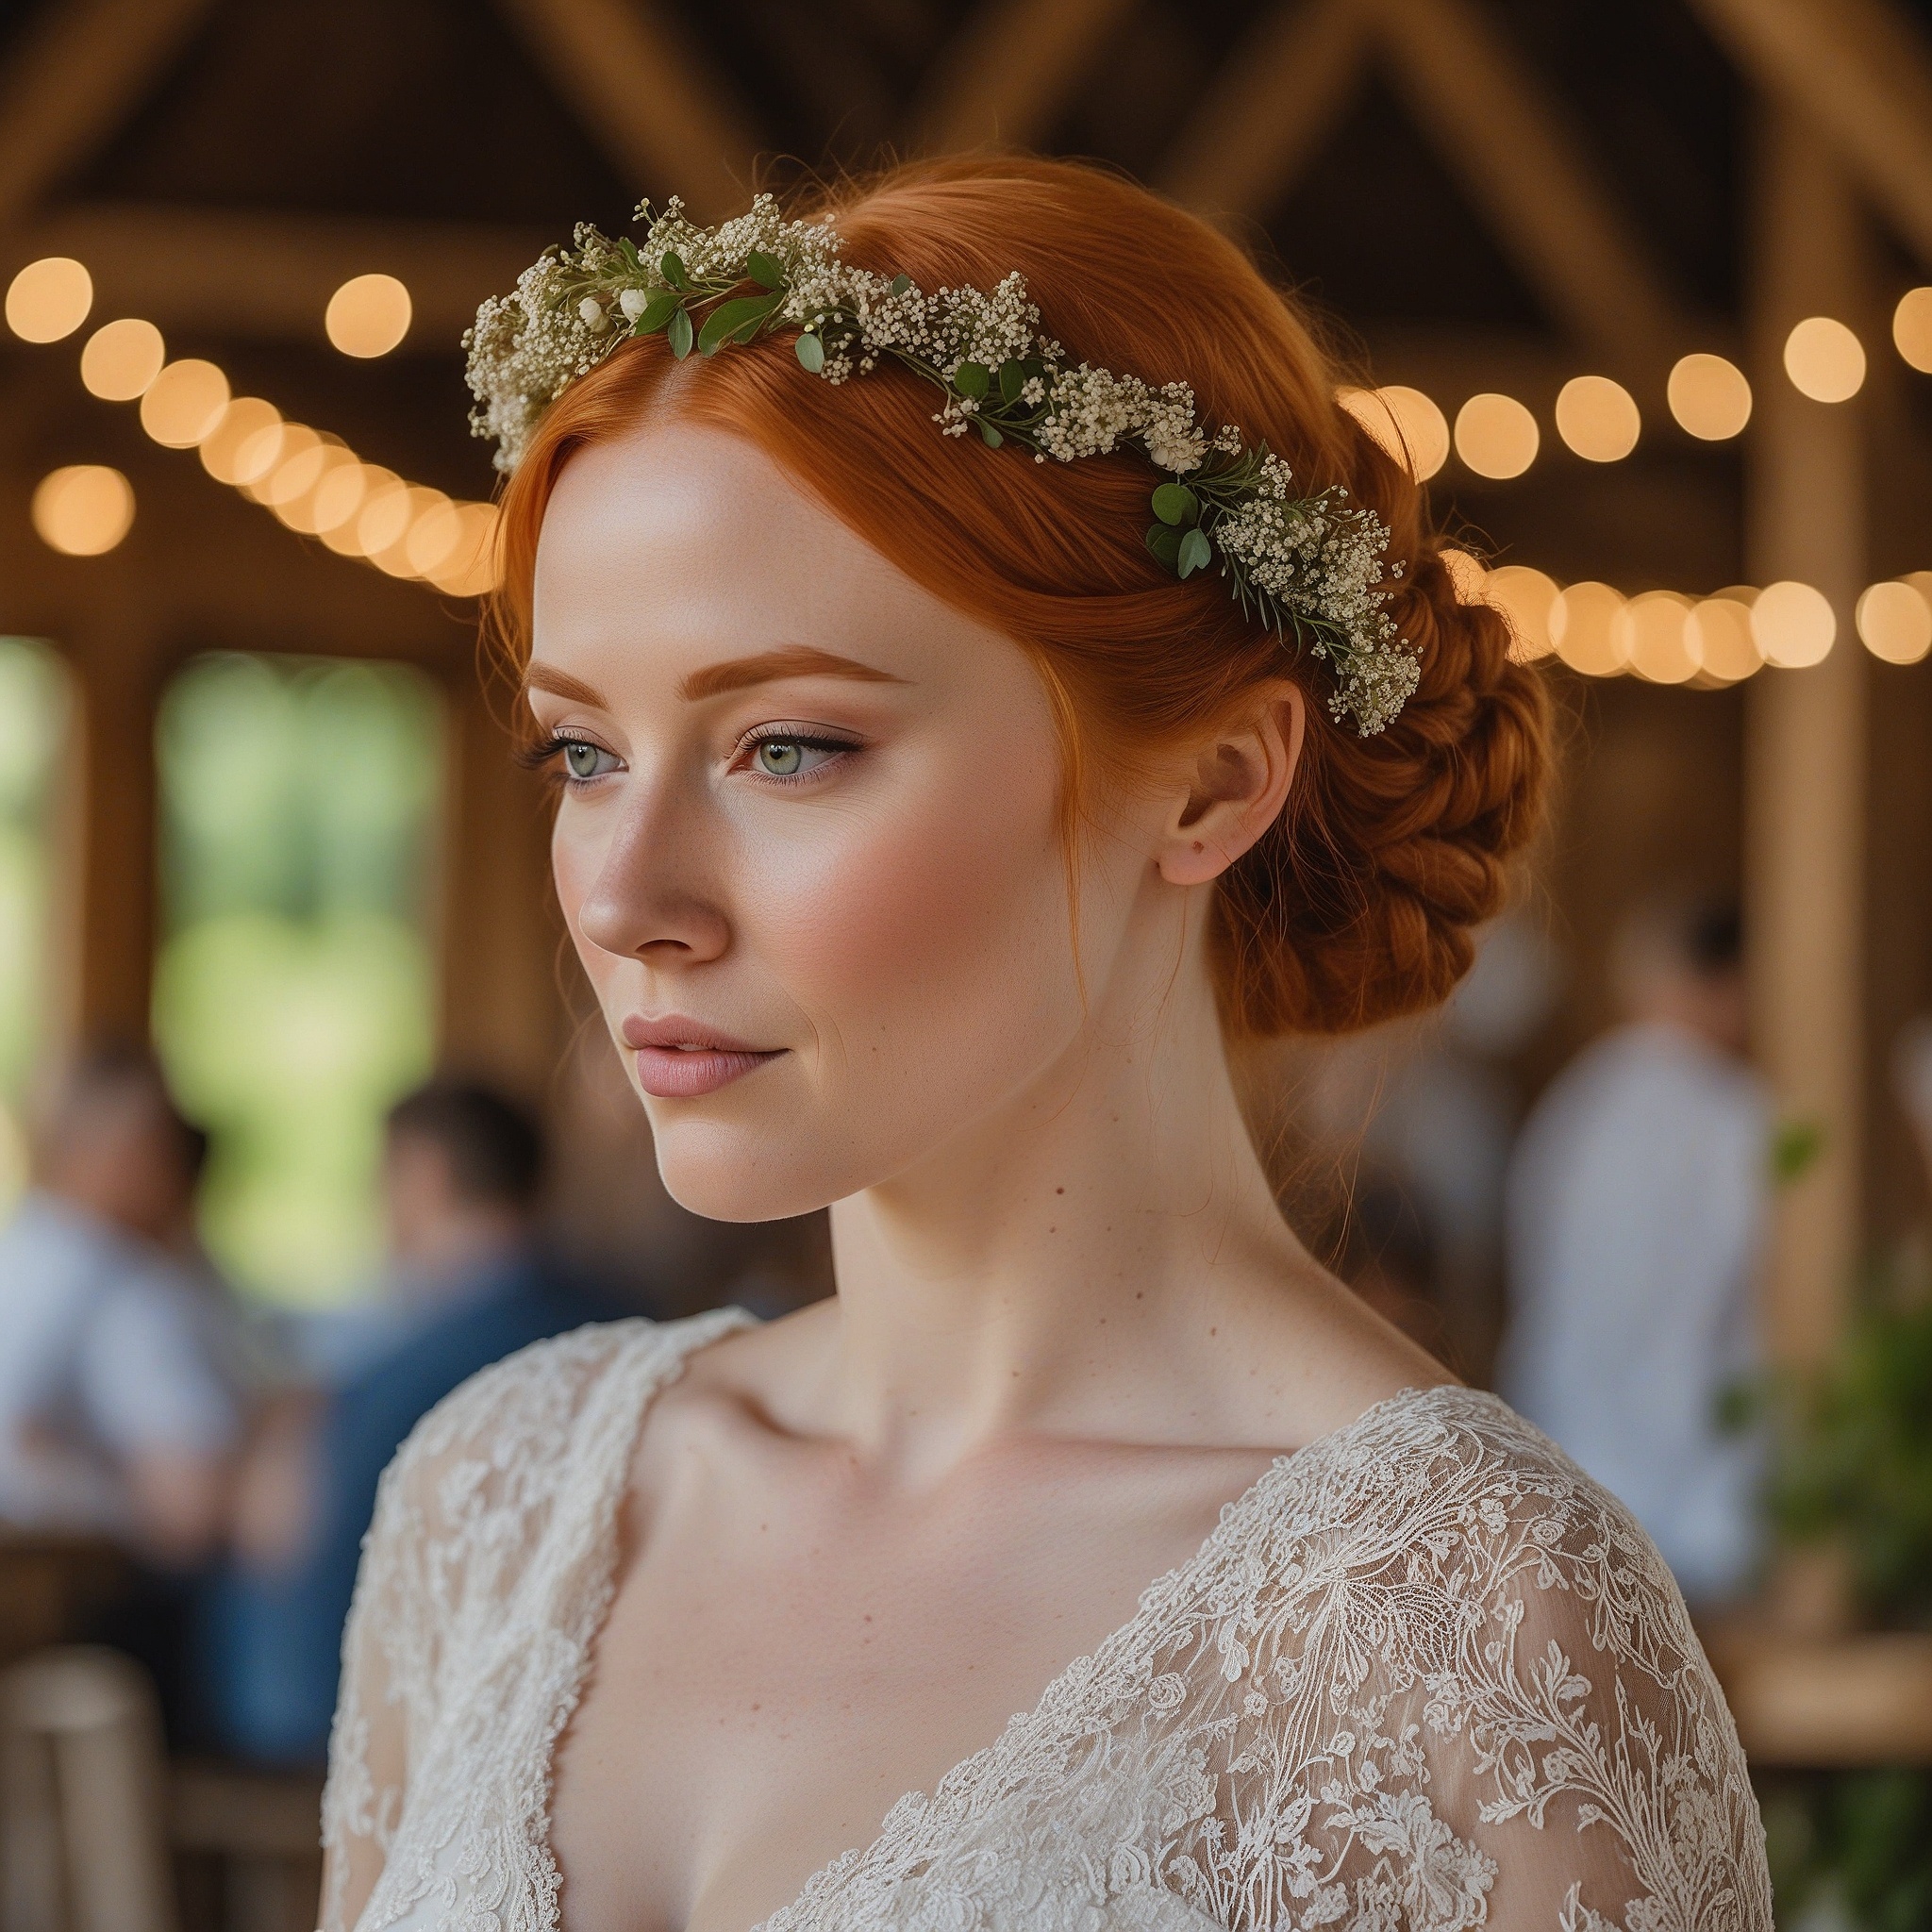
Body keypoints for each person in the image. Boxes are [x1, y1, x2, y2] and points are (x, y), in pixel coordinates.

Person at [322, 159, 1770, 1932]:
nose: (625, 895)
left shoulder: (1468, 1626)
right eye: (583, 752)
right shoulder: (497, 1498)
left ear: (1214, 781)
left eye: (787, 746)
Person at [212, 1079, 605, 1762]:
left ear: (423, 1174)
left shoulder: (387, 1382)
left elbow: (279, 1543)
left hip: (352, 1727)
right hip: (591, 1711)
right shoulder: (627, 1322)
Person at [1500, 900, 1771, 1607]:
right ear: (1731, 987)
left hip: (1568, 1482)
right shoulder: (1738, 1121)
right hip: (1704, 1509)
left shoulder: (1572, 1109)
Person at [0, 1046, 240, 1562]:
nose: (178, 1171)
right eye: (162, 1148)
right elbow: (193, 1504)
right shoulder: (121, 1285)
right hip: (93, 1589)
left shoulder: (24, 1256)